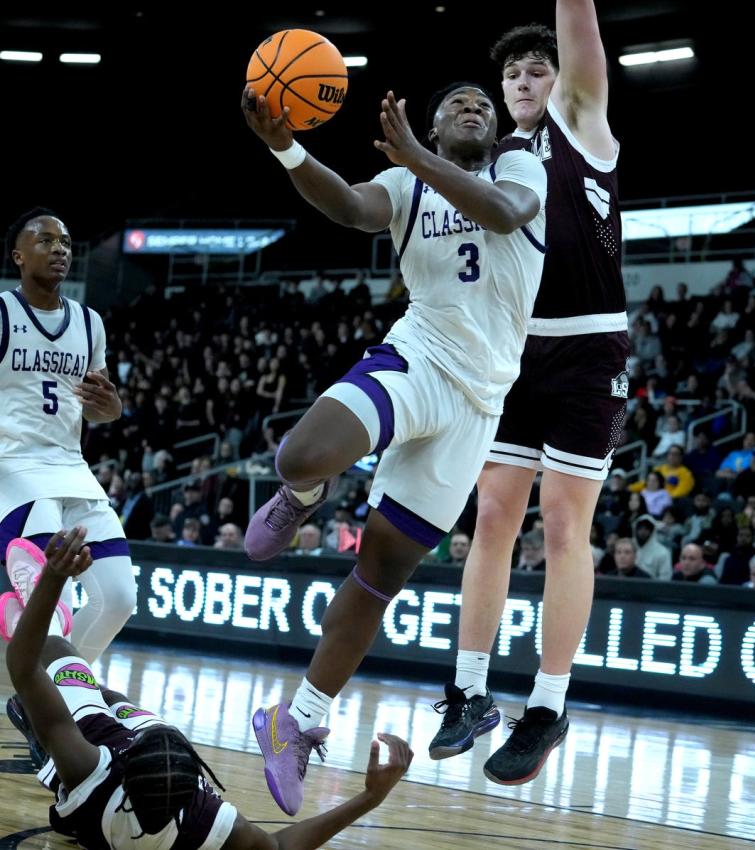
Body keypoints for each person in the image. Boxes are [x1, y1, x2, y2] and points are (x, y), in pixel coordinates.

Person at [239, 79, 547, 814]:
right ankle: (304, 497)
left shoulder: (518, 168)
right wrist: (284, 144)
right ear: (434, 126)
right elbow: (349, 206)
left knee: (380, 572)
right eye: (457, 104)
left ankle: (297, 721)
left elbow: (503, 216)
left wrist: (417, 154)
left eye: (484, 103)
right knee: (298, 456)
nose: (474, 107)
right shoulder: (404, 182)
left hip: (480, 406)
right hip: (418, 358)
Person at [430, 0, 629, 786]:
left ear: (562, 81)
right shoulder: (494, 161)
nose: (521, 79)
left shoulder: (581, 126)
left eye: (536, 68)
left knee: (561, 528)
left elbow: (577, 35)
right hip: (511, 353)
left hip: (587, 346)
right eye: (510, 71)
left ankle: (547, 706)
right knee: (491, 519)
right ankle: (468, 692)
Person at [2, 528, 413, 850]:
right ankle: (53, 709)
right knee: (118, 704)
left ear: (123, 773)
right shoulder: (201, 820)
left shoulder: (90, 769)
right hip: (140, 764)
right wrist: (369, 799)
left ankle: (44, 619)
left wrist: (53, 580)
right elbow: (280, 846)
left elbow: (22, 665)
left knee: (56, 655)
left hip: (98, 749)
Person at [0, 209, 135, 663]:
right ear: (19, 256)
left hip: (71, 468)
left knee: (118, 598)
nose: (59, 249)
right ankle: (52, 696)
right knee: (50, 600)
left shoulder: (89, 322)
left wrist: (111, 408)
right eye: (46, 241)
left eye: (66, 243)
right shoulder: (1, 313)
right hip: (14, 467)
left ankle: (58, 695)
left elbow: (100, 408)